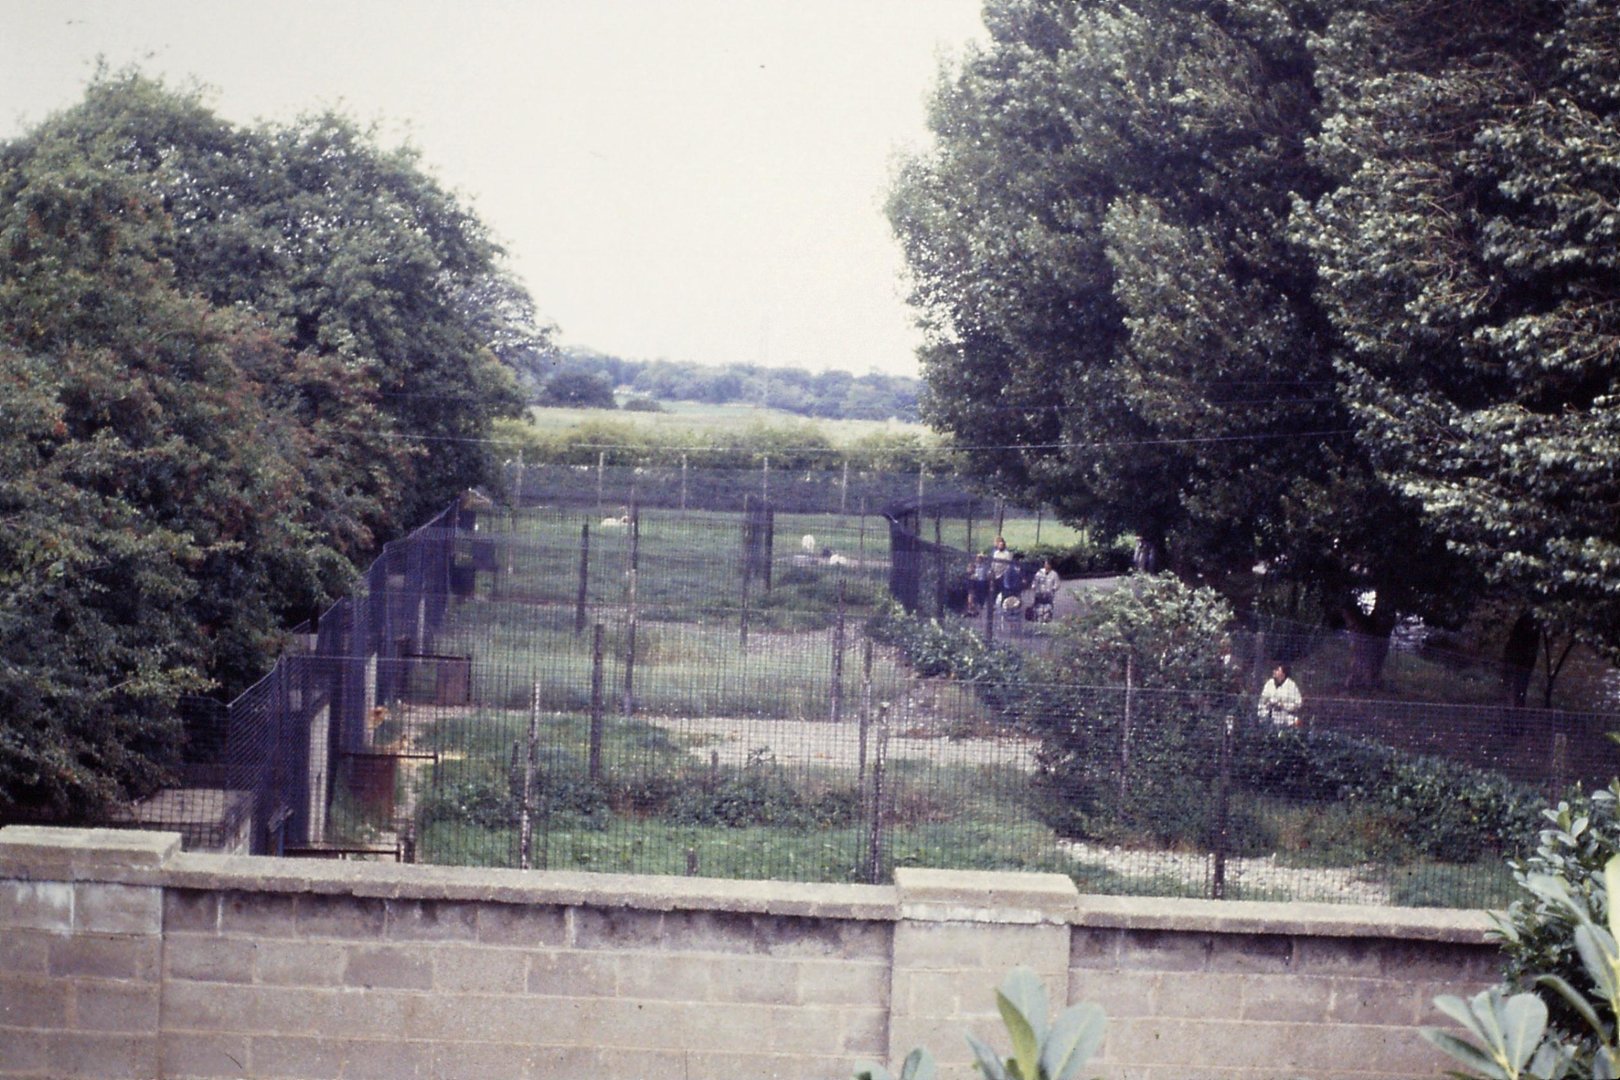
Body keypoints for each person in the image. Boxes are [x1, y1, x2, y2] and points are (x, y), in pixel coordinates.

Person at [1031, 559, 1060, 623]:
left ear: (1050, 565)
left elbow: (1057, 584)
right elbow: (1035, 581)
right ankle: (1038, 620)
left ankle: (1047, 620)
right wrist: (1034, 586)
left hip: (1049, 595)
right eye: (1045, 564)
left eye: (1047, 564)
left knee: (1048, 609)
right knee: (1038, 609)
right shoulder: (1039, 573)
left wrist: (1053, 588)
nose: (1046, 565)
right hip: (1039, 594)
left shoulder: (1054, 574)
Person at [989, 536, 1013, 603]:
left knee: (1003, 591)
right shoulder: (996, 553)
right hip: (995, 574)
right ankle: (992, 604)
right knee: (994, 591)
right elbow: (993, 563)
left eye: (1002, 545)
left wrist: (1004, 573)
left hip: (1003, 575)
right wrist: (992, 570)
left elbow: (1008, 565)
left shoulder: (1007, 554)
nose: (1000, 546)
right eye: (999, 545)